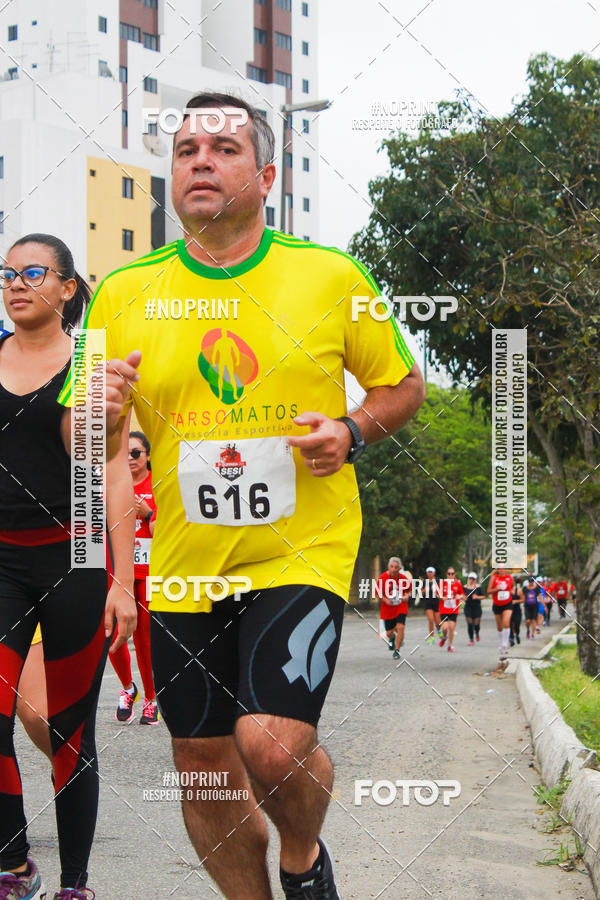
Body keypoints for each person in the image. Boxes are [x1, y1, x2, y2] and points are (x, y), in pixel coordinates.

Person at [58, 91, 425, 900]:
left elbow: (402, 385)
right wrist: (100, 413)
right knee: (201, 766)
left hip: (303, 550)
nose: (199, 161)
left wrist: (353, 430)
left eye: (222, 149)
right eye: (186, 148)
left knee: (270, 745)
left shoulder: (329, 276)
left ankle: (303, 862)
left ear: (265, 173)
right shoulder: (122, 294)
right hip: (190, 567)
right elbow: (80, 449)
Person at [0, 234, 136, 899]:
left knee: (69, 732)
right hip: (0, 560)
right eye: (7, 272)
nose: (16, 282)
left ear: (66, 288)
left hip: (76, 555)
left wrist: (120, 583)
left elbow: (113, 474)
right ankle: (13, 862)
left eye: (32, 272)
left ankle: (75, 884)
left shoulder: (90, 361)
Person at [110, 430, 159, 725]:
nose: (129, 458)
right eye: (125, 453)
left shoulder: (158, 484)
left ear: (148, 456)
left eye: (136, 453)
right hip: (120, 572)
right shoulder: (115, 484)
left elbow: (163, 531)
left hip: (150, 572)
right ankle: (129, 688)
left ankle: (151, 699)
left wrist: (147, 513)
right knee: (113, 634)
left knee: (144, 640)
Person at [376, 557, 410, 659]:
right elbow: (377, 593)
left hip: (400, 607)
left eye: (396, 567)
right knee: (389, 633)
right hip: (388, 609)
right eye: (392, 567)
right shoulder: (383, 578)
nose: (394, 569)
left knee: (401, 627)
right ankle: (393, 638)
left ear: (399, 568)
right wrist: (386, 600)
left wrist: (406, 596)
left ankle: (397, 650)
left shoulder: (403, 579)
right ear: (388, 567)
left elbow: (409, 590)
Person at [488, 567, 514, 652]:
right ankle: (501, 643)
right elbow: (488, 591)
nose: (502, 570)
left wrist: (512, 591)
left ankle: (505, 644)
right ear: (497, 570)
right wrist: (497, 589)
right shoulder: (494, 578)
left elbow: (513, 587)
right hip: (497, 604)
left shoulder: (509, 577)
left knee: (506, 622)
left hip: (507, 603)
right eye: (500, 568)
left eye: (503, 568)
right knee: (499, 626)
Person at [438, 566, 464, 652]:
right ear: (446, 575)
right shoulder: (442, 583)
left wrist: (459, 596)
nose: (450, 575)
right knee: (445, 628)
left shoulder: (458, 584)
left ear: (454, 575)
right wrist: (442, 597)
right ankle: (444, 637)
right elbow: (437, 594)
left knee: (452, 628)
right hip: (444, 609)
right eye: (449, 574)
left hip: (454, 609)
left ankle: (450, 645)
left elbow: (463, 596)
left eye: (452, 574)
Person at [463, 572, 484, 645]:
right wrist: (463, 598)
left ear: (475, 580)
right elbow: (461, 595)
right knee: (470, 623)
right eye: (470, 578)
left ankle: (477, 632)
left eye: (473, 579)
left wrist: (477, 597)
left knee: (476, 623)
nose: (471, 580)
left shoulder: (478, 587)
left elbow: (483, 596)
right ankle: (471, 639)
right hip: (468, 607)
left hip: (477, 607)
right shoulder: (465, 587)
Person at [422, 566, 441, 644]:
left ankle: (439, 630)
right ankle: (431, 637)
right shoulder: (424, 582)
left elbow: (442, 590)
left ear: (434, 573)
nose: (430, 574)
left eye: (431, 572)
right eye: (428, 572)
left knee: (437, 622)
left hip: (436, 603)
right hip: (428, 602)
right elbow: (421, 591)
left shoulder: (438, 581)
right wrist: (424, 590)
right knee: (430, 620)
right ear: (427, 573)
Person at [509, 578, 523, 646]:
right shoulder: (507, 590)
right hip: (509, 609)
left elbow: (523, 599)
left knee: (517, 625)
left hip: (517, 610)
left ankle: (517, 634)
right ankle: (511, 638)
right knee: (510, 624)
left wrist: (516, 601)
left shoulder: (519, 590)